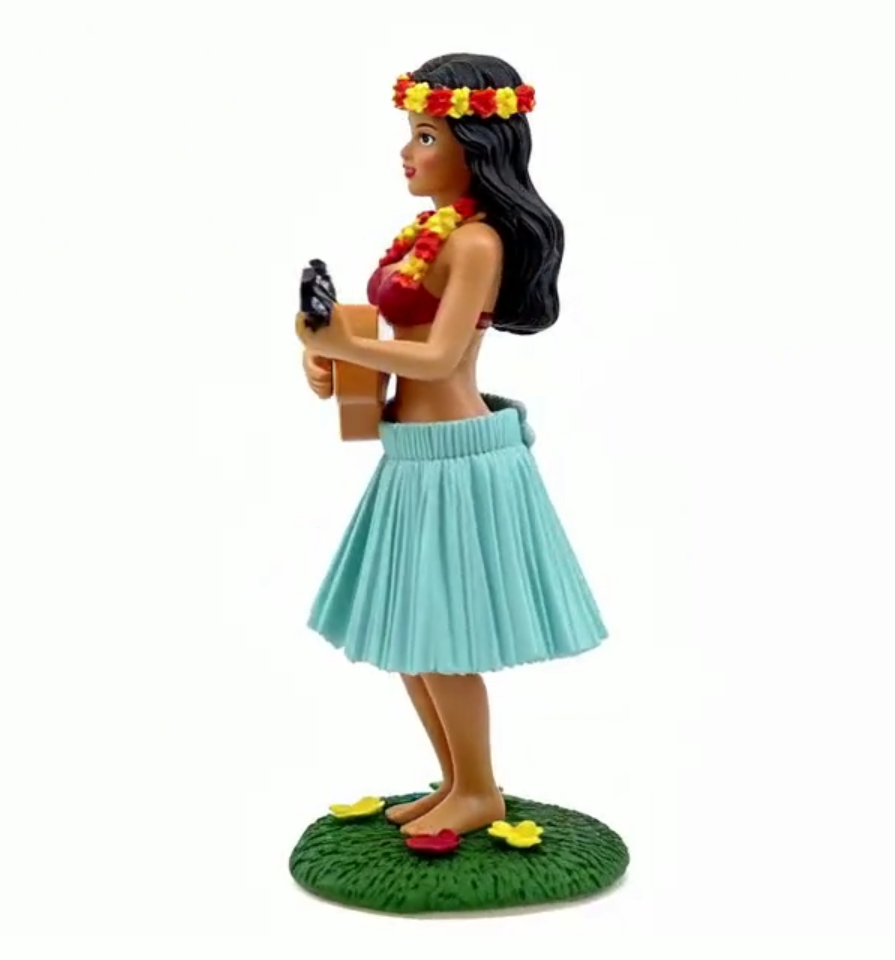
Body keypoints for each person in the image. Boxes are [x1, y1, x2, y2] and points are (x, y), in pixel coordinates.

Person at [295, 53, 609, 838]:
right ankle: (459, 784)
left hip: (455, 458)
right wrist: (332, 360)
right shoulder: (427, 234)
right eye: (411, 133)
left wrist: (344, 343)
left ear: (477, 144)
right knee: (411, 639)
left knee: (440, 641)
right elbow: (395, 343)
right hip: (409, 454)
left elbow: (437, 358)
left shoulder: (475, 244)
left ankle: (479, 790)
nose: (408, 151)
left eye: (427, 135)